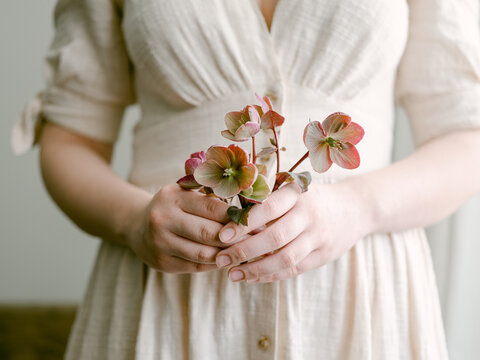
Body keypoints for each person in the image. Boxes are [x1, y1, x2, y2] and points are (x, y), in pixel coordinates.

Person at [11, 0, 480, 359]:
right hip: (166, 307)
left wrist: (356, 208)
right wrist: (133, 220)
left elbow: (465, 135)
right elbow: (70, 136)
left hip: (360, 310)